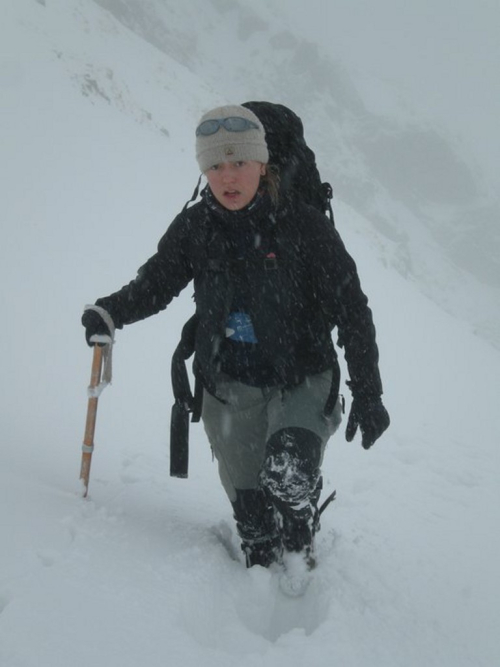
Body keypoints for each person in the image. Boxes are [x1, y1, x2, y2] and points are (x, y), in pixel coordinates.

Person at [82, 104, 390, 591]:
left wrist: (368, 393)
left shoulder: (305, 227)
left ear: (263, 164)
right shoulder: (196, 227)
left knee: (287, 472)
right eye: (215, 165)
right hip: (229, 384)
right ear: (203, 170)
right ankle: (262, 557)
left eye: (239, 163)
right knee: (251, 513)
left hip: (303, 376)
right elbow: (156, 283)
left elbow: (353, 310)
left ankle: (299, 530)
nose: (227, 177)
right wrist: (109, 311)